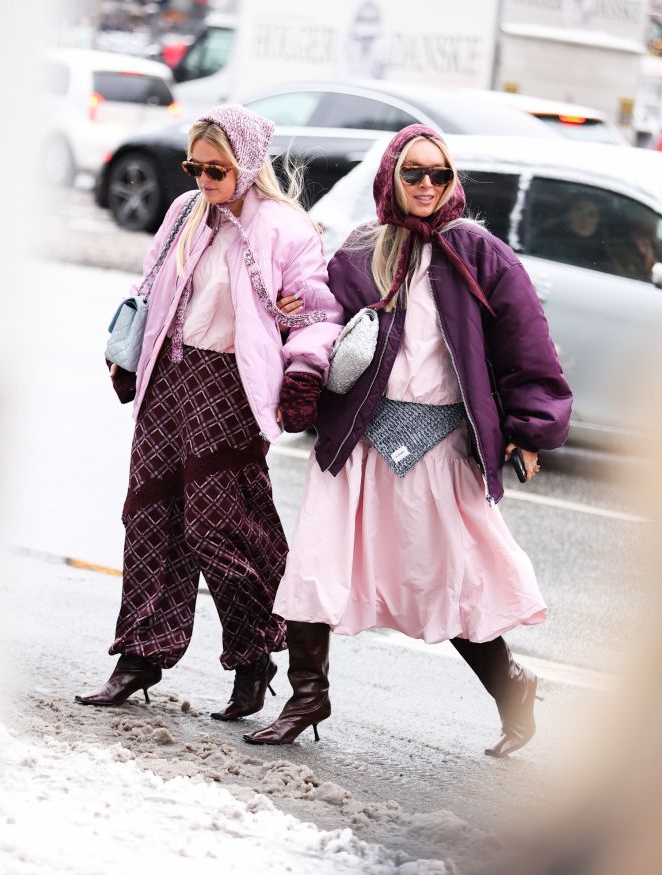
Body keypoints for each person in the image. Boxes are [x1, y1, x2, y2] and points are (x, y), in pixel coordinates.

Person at [243, 124, 573, 757]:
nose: (426, 185)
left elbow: (528, 346)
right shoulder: (360, 250)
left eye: (439, 174)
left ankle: (512, 687)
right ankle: (307, 696)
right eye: (413, 173)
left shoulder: (480, 253)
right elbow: (323, 321)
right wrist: (293, 325)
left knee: (448, 579)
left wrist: (530, 431)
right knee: (315, 563)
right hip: (357, 438)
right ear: (390, 177)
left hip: (442, 443)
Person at [76, 105, 342, 719]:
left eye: (215, 169)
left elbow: (317, 315)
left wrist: (304, 370)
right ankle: (139, 656)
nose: (203, 179)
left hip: (231, 388)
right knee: (149, 518)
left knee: (219, 529)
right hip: (168, 379)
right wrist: (126, 352)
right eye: (193, 167)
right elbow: (148, 289)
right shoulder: (183, 214)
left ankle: (254, 656)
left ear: (246, 163)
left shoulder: (285, 229)